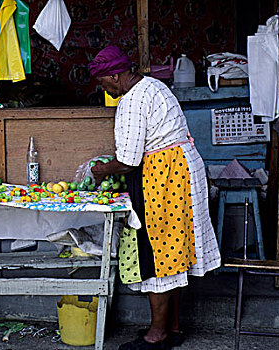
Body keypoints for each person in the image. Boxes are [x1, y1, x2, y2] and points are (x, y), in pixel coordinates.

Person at [88, 46, 221, 350]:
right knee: (173, 250)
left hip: (166, 178)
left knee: (159, 253)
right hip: (181, 169)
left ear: (114, 75)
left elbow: (129, 160)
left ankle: (158, 334)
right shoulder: (153, 85)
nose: (103, 89)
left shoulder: (132, 101)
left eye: (103, 82)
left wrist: (100, 170)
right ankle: (171, 328)